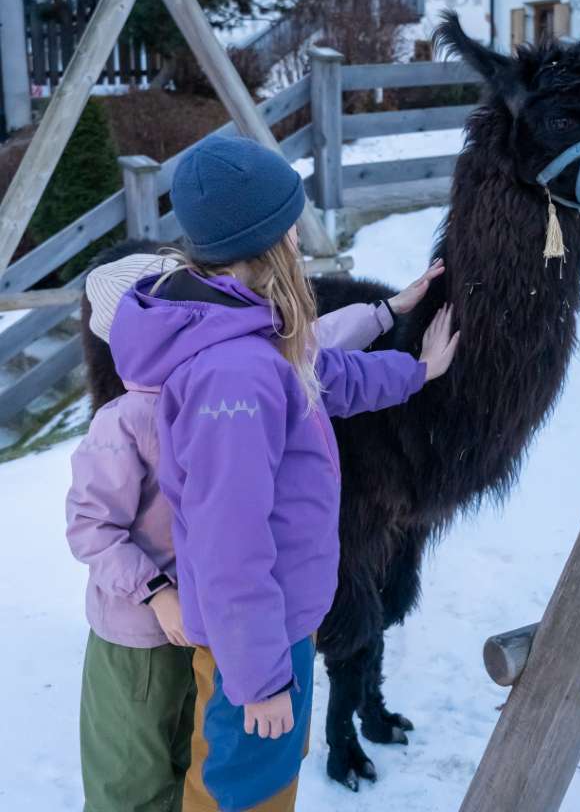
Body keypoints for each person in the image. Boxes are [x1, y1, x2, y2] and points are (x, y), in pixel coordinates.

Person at [108, 137, 458, 812]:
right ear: (263, 243)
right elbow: (228, 546)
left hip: (278, 628)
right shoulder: (231, 376)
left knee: (265, 773)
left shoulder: (246, 332)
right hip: (256, 643)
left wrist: (417, 371)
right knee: (242, 790)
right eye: (288, 224)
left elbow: (324, 375)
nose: (298, 236)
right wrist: (261, 678)